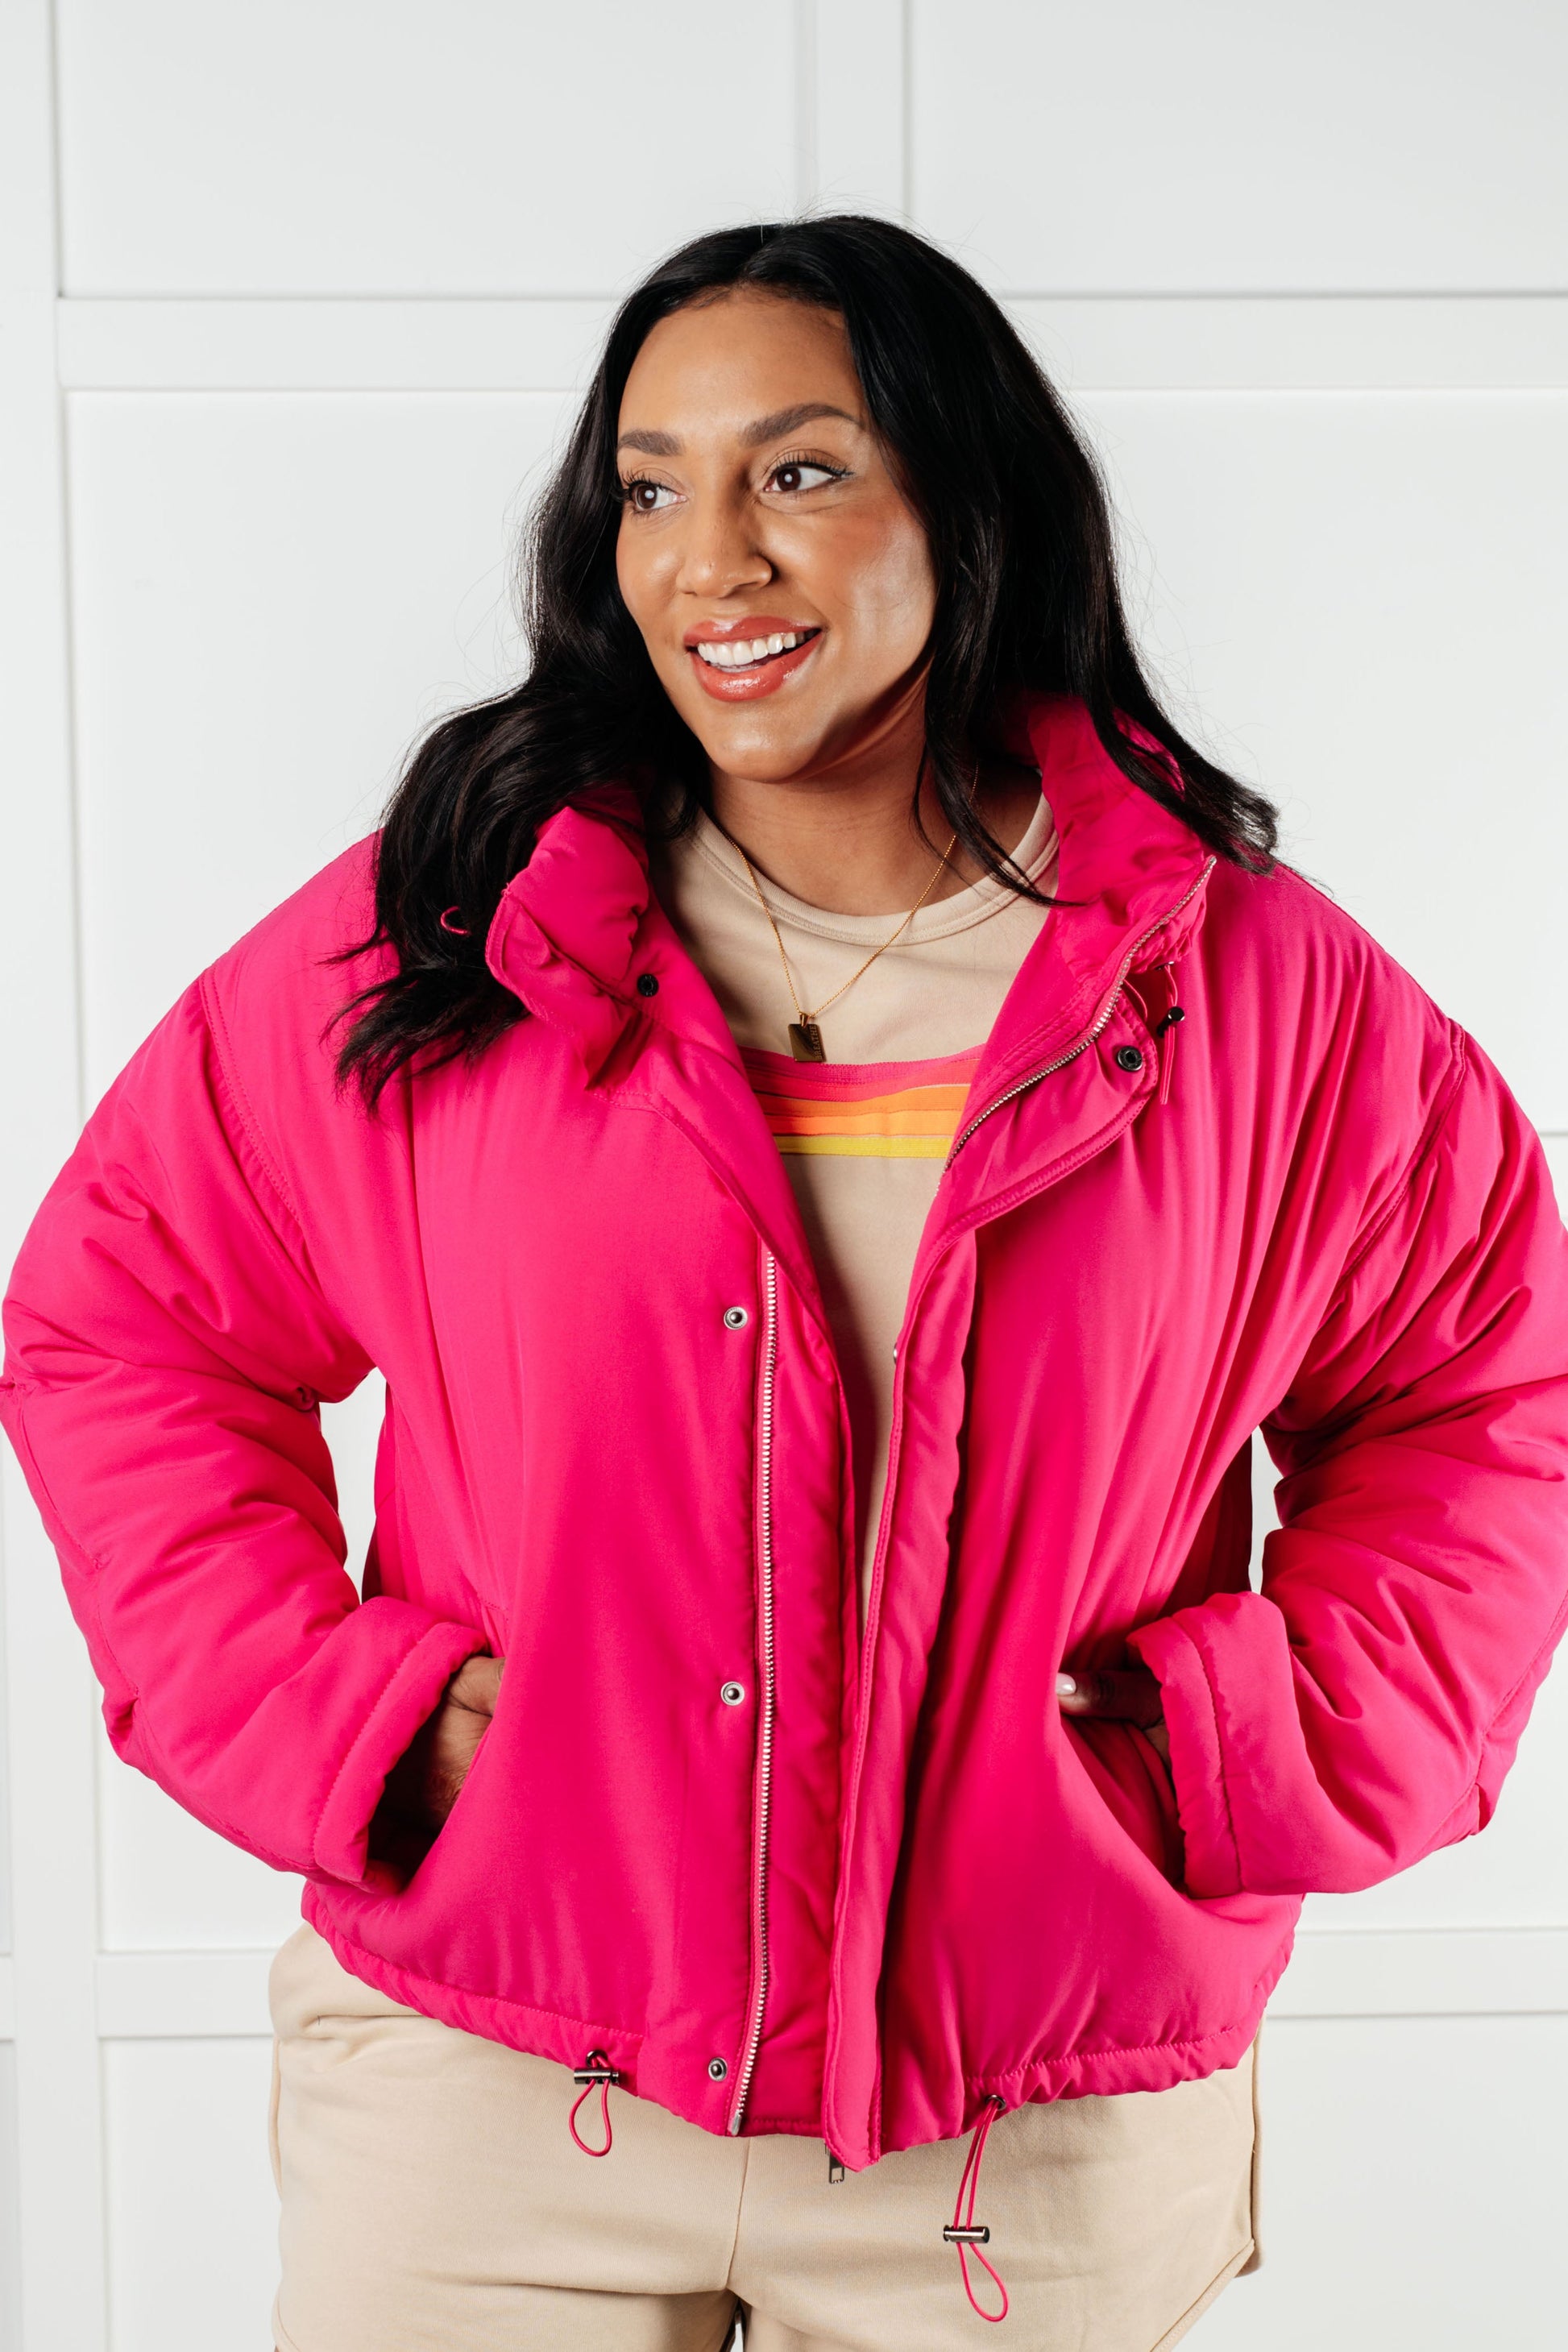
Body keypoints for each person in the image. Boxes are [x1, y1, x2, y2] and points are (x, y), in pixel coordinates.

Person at [3, 214, 1566, 2352]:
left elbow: (1490, 1400)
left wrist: (1244, 1739)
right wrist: (336, 1710)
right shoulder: (453, 933)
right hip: (495, 2099)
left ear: (968, 497)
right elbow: (130, 1324)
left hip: (1027, 2134)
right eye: (651, 484)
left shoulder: (1242, 992)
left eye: (799, 472)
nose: (707, 558)